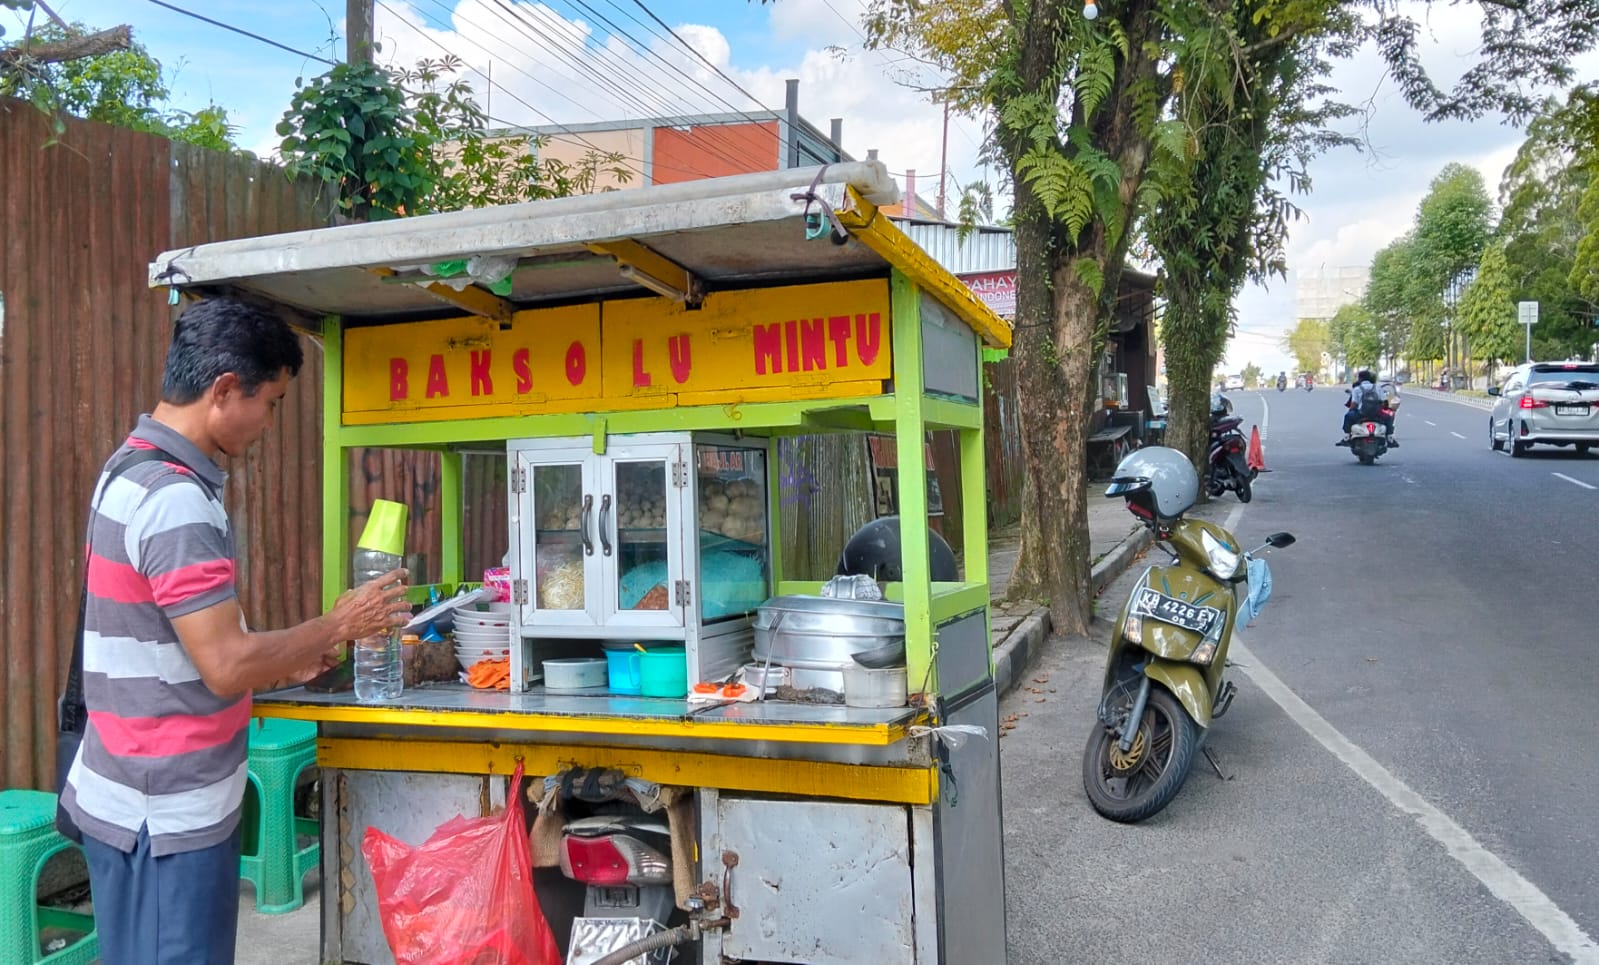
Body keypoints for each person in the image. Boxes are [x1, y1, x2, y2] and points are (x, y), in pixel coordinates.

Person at [60, 298, 414, 965]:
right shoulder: (175, 500)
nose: (270, 424)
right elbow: (224, 663)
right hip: (163, 815)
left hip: (133, 795)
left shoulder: (128, 466)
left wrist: (289, 658)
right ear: (224, 389)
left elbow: (176, 640)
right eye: (270, 403)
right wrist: (337, 623)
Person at [1339, 369, 1397, 446]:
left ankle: (1347, 437)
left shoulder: (1357, 389)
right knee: (1389, 417)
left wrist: (1350, 411)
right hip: (1377, 414)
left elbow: (1354, 404)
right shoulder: (1378, 388)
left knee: (1347, 416)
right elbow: (1384, 402)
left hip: (1361, 414)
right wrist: (1382, 408)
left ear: (1360, 379)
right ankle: (1389, 438)